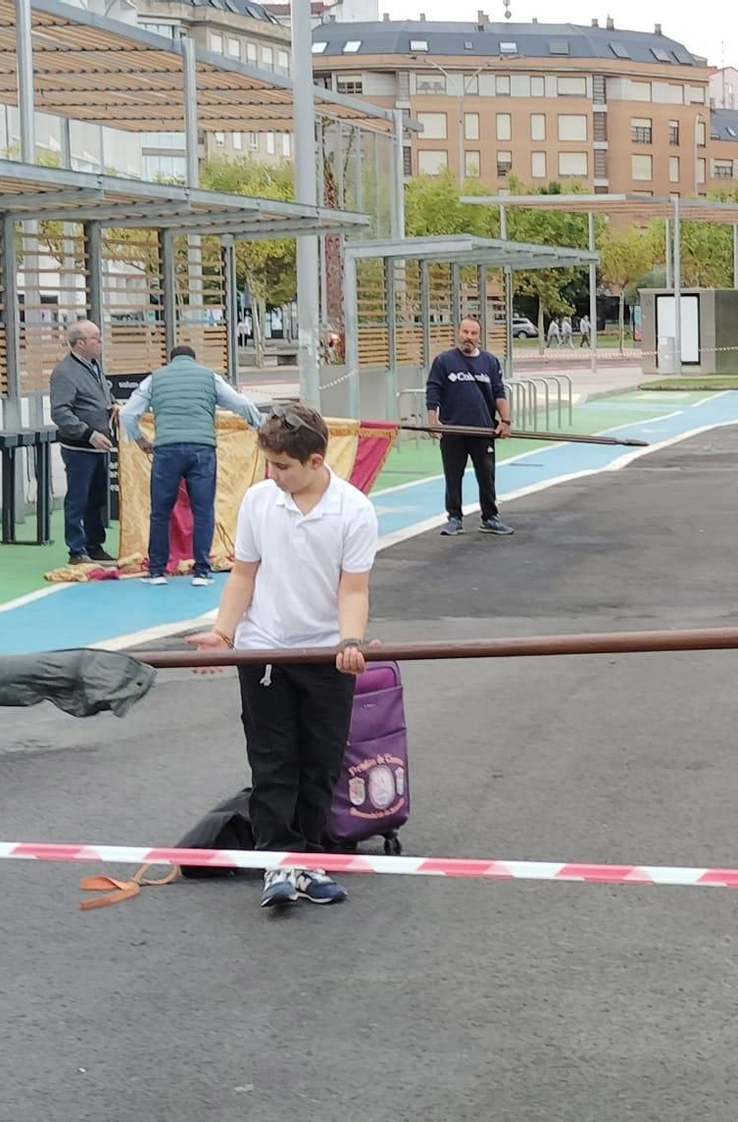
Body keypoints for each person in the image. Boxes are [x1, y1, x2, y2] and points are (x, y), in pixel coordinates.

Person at [187, 404, 380, 909]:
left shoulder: (354, 510)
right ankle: (277, 861)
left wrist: (349, 641)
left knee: (320, 763)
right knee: (273, 763)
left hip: (324, 657)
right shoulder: (257, 501)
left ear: (316, 461)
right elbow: (245, 574)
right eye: (269, 465)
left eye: (282, 467)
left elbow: (353, 590)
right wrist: (223, 633)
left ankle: (311, 860)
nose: (272, 475)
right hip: (264, 651)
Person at [121, 345, 264, 586]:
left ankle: (156, 571)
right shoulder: (209, 377)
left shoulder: (154, 379)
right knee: (203, 511)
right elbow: (242, 404)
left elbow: (127, 414)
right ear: (193, 360)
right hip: (202, 449)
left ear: (171, 360)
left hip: (166, 450)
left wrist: (141, 441)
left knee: (160, 512)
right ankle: (202, 572)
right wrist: (256, 424)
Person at [425, 316, 515, 536]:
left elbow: (499, 393)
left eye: (473, 334)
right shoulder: (444, 361)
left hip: (483, 430)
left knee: (486, 475)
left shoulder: (490, 362)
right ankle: (454, 518)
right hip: (453, 430)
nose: (469, 337)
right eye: (465, 332)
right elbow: (433, 392)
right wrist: (433, 422)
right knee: (453, 475)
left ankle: (490, 517)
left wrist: (505, 421)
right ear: (458, 333)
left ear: (479, 337)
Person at [49, 319, 117, 566]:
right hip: (80, 447)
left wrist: (112, 407)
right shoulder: (65, 373)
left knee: (97, 498)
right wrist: (88, 433)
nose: (100, 342)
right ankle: (76, 551)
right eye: (95, 338)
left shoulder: (94, 366)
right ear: (80, 343)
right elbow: (60, 412)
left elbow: (98, 397)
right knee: (78, 498)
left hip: (99, 446)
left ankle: (94, 545)